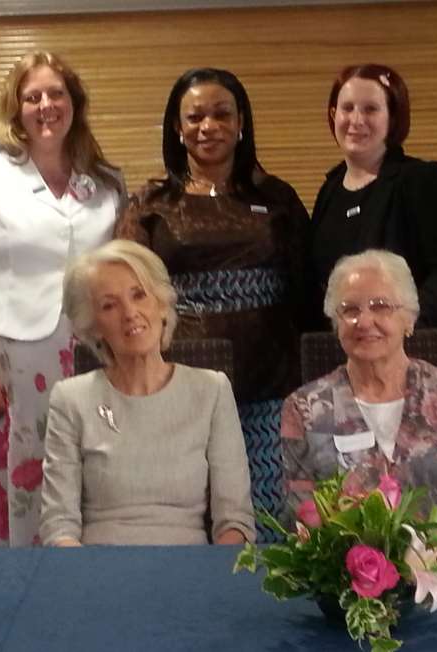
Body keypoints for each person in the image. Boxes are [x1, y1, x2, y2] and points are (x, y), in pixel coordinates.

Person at [114, 68, 309, 541]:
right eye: (195, 116)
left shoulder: (276, 196)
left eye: (222, 114)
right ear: (177, 129)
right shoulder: (152, 204)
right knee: (190, 512)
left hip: (269, 378)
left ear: (242, 124)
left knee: (267, 515)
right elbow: (126, 293)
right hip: (182, 381)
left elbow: (307, 288)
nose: (208, 126)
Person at [0, 51, 124, 547]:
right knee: (5, 488)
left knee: (82, 482)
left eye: (56, 93)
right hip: (8, 360)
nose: (46, 105)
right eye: (32, 96)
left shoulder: (106, 184)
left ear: (74, 103)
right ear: (15, 108)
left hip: (90, 358)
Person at [40, 240, 255, 545]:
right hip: (98, 575)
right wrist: (85, 584)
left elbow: (236, 521)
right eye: (109, 305)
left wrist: (210, 585)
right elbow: (58, 525)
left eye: (139, 295)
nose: (130, 313)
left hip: (190, 575)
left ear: (162, 304)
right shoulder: (70, 399)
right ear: (94, 325)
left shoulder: (212, 390)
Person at [282, 250, 437, 539]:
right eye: (350, 310)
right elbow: (303, 531)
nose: (364, 320)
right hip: (346, 578)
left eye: (381, 306)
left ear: (409, 319)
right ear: (336, 324)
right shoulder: (303, 409)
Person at [305, 64, 437, 368]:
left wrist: (399, 332)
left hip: (418, 354)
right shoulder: (329, 189)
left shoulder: (423, 179)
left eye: (370, 109)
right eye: (347, 108)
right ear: (333, 115)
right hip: (348, 360)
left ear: (392, 118)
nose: (356, 120)